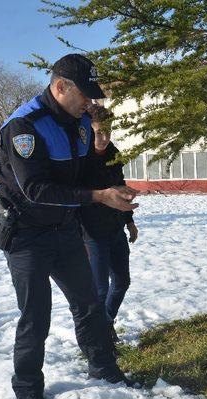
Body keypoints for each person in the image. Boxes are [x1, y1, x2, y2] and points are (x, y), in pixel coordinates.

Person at [0, 54, 139, 399]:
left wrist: (104, 159)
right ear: (60, 87)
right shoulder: (24, 127)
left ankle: (104, 368)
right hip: (25, 234)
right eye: (84, 95)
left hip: (65, 229)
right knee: (35, 314)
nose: (90, 103)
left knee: (88, 303)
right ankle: (28, 390)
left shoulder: (81, 124)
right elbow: (36, 189)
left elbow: (87, 172)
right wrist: (99, 197)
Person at [81, 105, 138, 345]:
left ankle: (105, 324)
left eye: (108, 131)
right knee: (100, 289)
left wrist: (130, 222)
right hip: (92, 233)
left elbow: (120, 184)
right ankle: (97, 336)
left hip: (115, 229)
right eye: (98, 132)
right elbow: (79, 194)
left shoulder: (114, 153)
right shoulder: (81, 157)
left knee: (122, 282)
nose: (104, 138)